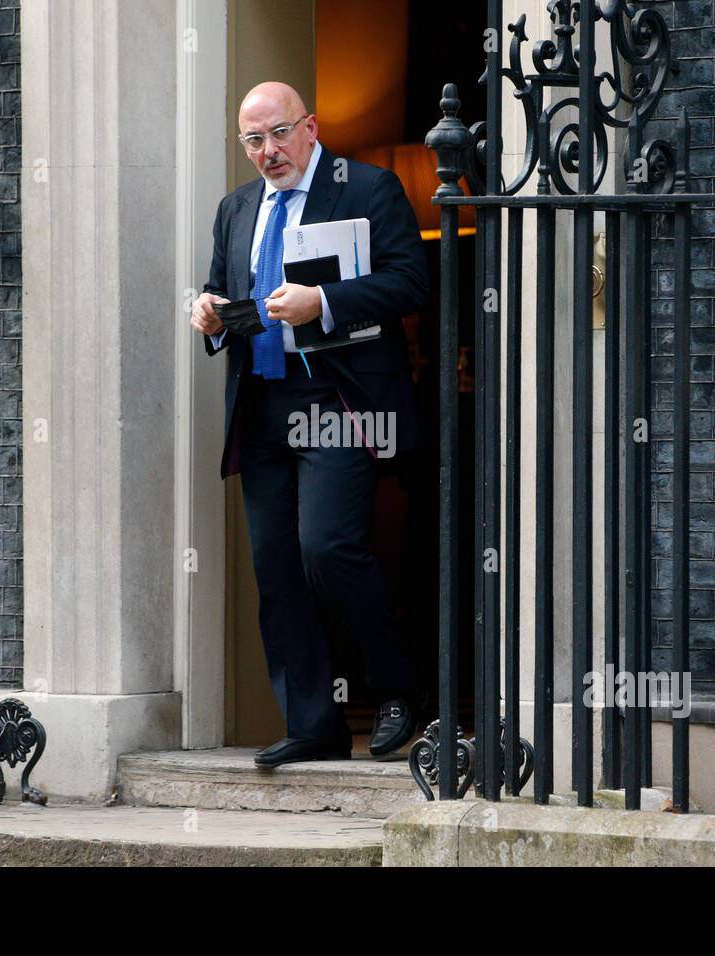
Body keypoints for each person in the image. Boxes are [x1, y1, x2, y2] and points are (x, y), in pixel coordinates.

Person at [189, 82, 428, 767]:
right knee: (276, 567)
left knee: (327, 548)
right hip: (261, 402)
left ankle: (398, 691)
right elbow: (219, 290)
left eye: (279, 134)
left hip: (336, 399)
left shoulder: (368, 189)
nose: (268, 152)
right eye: (253, 141)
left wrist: (324, 300)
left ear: (311, 128)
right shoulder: (236, 209)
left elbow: (412, 281)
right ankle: (314, 722)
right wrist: (209, 314)